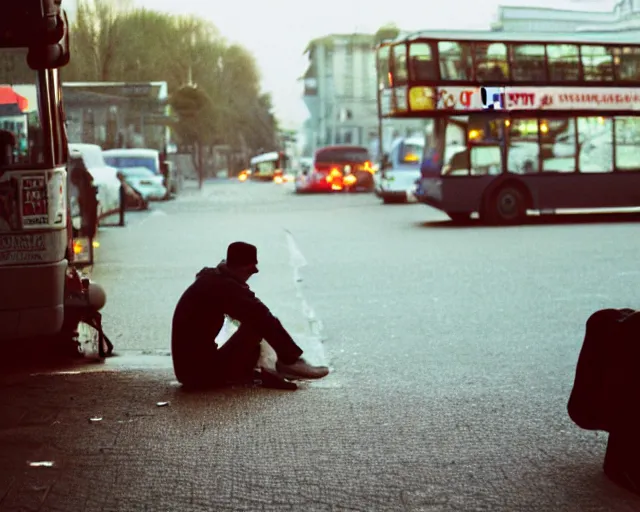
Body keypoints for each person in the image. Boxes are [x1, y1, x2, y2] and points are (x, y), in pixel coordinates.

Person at [171, 242, 330, 390]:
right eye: (250, 269)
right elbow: (262, 316)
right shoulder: (224, 288)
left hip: (190, 372)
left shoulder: (213, 280)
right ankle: (289, 363)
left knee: (251, 324)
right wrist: (290, 355)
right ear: (239, 268)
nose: (254, 273)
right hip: (200, 376)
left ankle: (273, 365)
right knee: (257, 324)